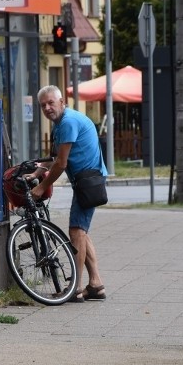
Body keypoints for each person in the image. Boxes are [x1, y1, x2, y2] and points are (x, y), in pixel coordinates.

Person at [28, 85, 106, 303]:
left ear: (62, 102)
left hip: (88, 183)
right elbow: (54, 158)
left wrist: (41, 188)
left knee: (75, 232)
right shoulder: (61, 124)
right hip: (86, 180)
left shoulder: (68, 122)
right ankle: (96, 284)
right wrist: (36, 173)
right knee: (81, 232)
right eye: (43, 105)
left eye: (51, 103)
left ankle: (76, 288)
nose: (47, 108)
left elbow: (61, 163)